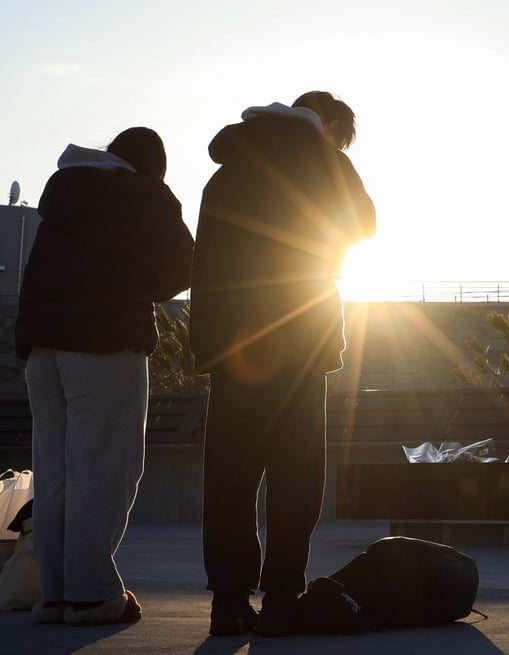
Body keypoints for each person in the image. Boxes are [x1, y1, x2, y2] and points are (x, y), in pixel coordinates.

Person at [189, 91, 375, 637]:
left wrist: (207, 346)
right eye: (341, 137)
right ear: (329, 126)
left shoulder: (226, 174)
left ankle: (227, 601)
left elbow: (205, 265)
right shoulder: (326, 163)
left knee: (229, 479)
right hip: (299, 345)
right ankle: (281, 599)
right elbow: (362, 227)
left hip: (232, 351)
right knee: (296, 478)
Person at [15, 127, 194, 626]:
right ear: (152, 165)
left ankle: (56, 593)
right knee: (105, 467)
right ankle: (93, 594)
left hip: (41, 346)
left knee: (55, 473)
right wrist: (132, 283)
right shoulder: (143, 194)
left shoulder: (66, 190)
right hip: (104, 342)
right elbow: (181, 269)